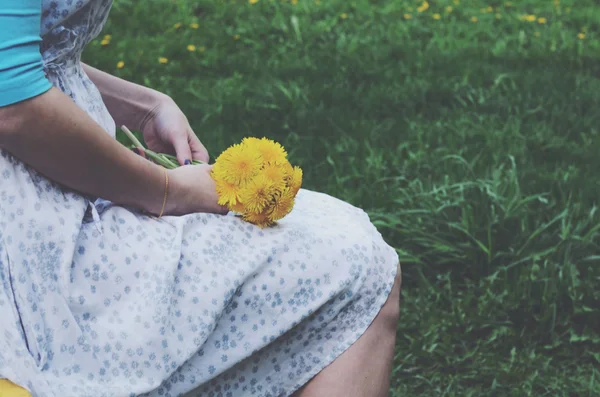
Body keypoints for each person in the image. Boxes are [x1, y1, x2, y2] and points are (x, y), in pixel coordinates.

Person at [0, 1, 401, 396]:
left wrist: (142, 107)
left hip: (49, 191)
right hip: (34, 235)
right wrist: (166, 191)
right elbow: (14, 105)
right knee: (355, 262)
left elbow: (22, 54)